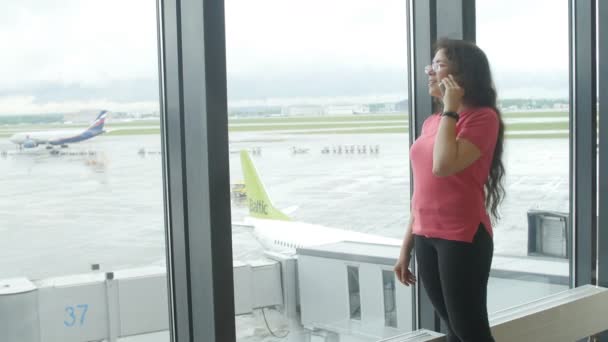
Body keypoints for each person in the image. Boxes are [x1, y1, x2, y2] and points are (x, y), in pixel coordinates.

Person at [394, 38, 506, 342]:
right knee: (454, 330)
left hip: (462, 236)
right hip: (426, 236)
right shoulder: (433, 122)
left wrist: (451, 108)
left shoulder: (482, 118)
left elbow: (443, 165)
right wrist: (407, 246)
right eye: (431, 64)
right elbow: (423, 191)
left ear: (463, 74)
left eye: (439, 64)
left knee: (471, 332)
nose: (429, 71)